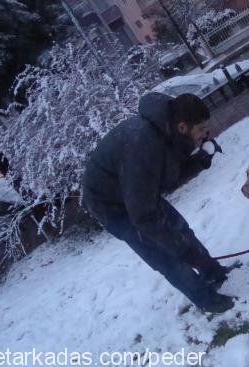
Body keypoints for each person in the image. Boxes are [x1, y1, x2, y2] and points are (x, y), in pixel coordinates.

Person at [82, 92, 234, 313]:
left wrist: (200, 161)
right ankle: (207, 300)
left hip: (135, 193)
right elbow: (144, 216)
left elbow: (167, 179)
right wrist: (183, 251)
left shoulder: (168, 133)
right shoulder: (144, 146)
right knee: (166, 254)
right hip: (112, 206)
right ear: (183, 126)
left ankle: (213, 273)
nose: (205, 133)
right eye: (201, 128)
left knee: (180, 229)